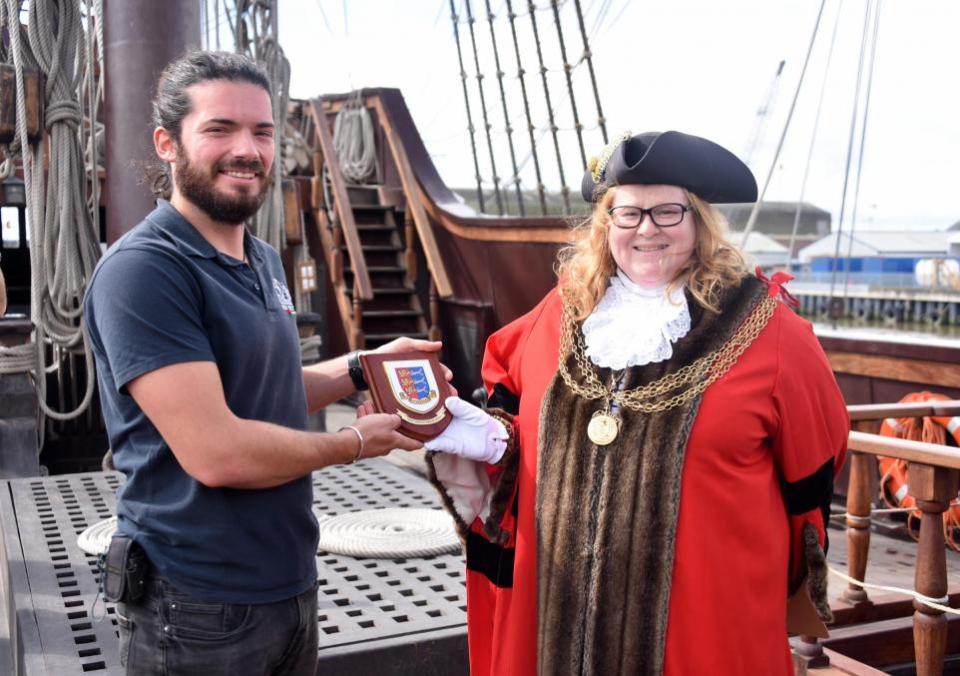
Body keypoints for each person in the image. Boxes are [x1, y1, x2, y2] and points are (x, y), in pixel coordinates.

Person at [423, 131, 849, 675]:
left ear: (698, 221)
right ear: (606, 226)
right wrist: (490, 438)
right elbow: (516, 416)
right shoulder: (558, 314)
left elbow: (815, 468)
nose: (647, 228)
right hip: (555, 620)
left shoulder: (771, 331)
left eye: (668, 211)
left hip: (704, 632)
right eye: (628, 214)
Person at [84, 51, 431, 676]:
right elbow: (219, 452)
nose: (247, 149)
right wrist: (354, 442)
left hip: (289, 582)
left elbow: (266, 393)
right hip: (195, 603)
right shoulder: (145, 271)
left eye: (263, 132)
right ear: (167, 143)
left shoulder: (263, 260)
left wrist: (363, 365)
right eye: (220, 129)